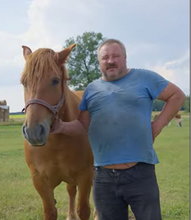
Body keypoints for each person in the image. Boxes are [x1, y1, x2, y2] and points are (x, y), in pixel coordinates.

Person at [53, 39, 185, 220]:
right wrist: (59, 126)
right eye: (105, 57)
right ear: (99, 62)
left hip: (140, 173)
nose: (110, 61)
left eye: (116, 56)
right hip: (103, 178)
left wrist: (157, 126)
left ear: (125, 58)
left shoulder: (145, 78)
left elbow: (176, 95)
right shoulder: (92, 90)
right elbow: (82, 126)